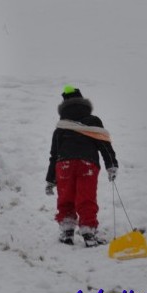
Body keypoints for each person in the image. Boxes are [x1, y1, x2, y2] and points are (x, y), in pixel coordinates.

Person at [45, 85, 119, 247]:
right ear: (84, 104)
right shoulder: (93, 121)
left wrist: (51, 179)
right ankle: (88, 232)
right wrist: (111, 165)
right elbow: (104, 144)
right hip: (88, 164)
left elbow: (54, 155)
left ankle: (67, 232)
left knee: (66, 197)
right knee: (86, 197)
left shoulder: (61, 126)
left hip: (64, 164)